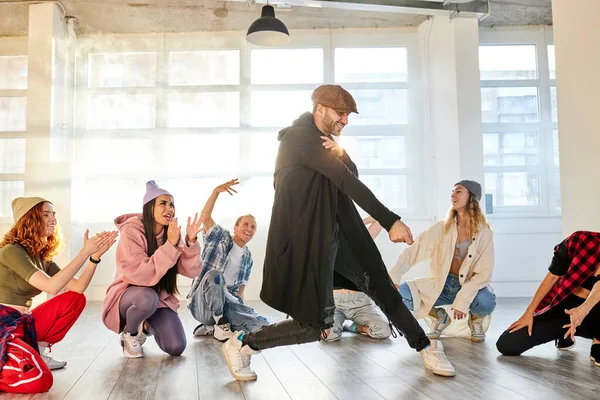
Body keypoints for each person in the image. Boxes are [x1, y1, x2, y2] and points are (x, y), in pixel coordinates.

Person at [221, 84, 455, 381]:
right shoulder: (299, 138)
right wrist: (389, 220)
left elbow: (349, 173)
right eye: (341, 113)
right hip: (310, 243)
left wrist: (341, 155)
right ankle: (242, 344)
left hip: (341, 233)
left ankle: (425, 347)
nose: (345, 120)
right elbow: (347, 182)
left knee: (381, 285)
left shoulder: (324, 140)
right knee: (315, 326)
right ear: (320, 109)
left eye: (348, 115)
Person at [0, 197, 117, 394]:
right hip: (5, 327)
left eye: (53, 214)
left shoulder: (41, 256)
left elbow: (77, 288)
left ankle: (38, 352)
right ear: (29, 220)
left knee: (75, 299)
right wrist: (84, 251)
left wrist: (94, 257)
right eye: (46, 214)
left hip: (23, 323)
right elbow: (52, 286)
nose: (53, 219)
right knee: (41, 380)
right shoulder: (11, 251)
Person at [102, 181, 203, 358]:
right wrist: (170, 246)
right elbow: (140, 274)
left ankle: (144, 326)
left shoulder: (171, 234)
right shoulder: (131, 230)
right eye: (162, 203)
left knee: (176, 346)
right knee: (147, 297)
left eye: (172, 204)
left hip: (158, 298)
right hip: (129, 295)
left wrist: (191, 242)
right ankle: (130, 333)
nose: (169, 208)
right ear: (149, 208)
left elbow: (190, 270)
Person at [391, 181, 496, 342]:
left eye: (458, 191)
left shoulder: (485, 233)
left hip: (469, 285)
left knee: (487, 300)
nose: (453, 195)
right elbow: (413, 251)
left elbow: (484, 273)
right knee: (399, 294)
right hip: (442, 285)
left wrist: (463, 299)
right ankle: (440, 316)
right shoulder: (441, 228)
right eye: (452, 192)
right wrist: (395, 274)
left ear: (472, 198)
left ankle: (476, 320)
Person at [496, 231, 600, 366]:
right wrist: (529, 313)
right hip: (565, 310)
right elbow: (551, 278)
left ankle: (598, 339)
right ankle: (562, 334)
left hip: (594, 312)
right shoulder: (580, 240)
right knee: (507, 344)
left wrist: (583, 310)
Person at [187, 179, 268, 341]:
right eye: (245, 224)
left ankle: (215, 326)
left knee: (262, 325)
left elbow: (240, 292)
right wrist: (215, 192)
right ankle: (220, 322)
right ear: (235, 228)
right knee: (215, 275)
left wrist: (242, 311)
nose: (249, 229)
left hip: (228, 305)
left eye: (253, 227)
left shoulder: (248, 259)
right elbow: (206, 216)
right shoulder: (220, 237)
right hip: (201, 304)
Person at [325, 217, 391, 341]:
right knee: (328, 335)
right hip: (336, 303)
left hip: (362, 303)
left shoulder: (361, 244)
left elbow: (380, 219)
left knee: (383, 331)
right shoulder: (327, 248)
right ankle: (340, 325)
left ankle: (355, 327)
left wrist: (356, 222)